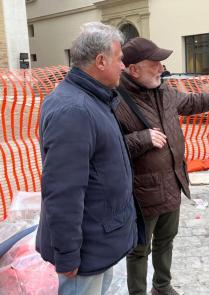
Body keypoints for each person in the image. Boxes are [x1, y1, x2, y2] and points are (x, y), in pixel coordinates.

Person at [114, 37, 209, 295]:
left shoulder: (165, 91)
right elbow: (108, 146)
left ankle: (162, 287)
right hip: (142, 192)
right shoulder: (117, 101)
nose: (161, 68)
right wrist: (142, 138)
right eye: (154, 64)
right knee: (140, 249)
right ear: (134, 70)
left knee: (166, 240)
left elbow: (195, 103)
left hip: (172, 182)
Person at [36, 22, 145, 295]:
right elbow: (63, 191)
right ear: (100, 60)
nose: (123, 66)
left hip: (98, 243)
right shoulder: (74, 110)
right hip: (84, 253)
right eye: (120, 59)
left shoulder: (94, 99)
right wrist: (68, 254)